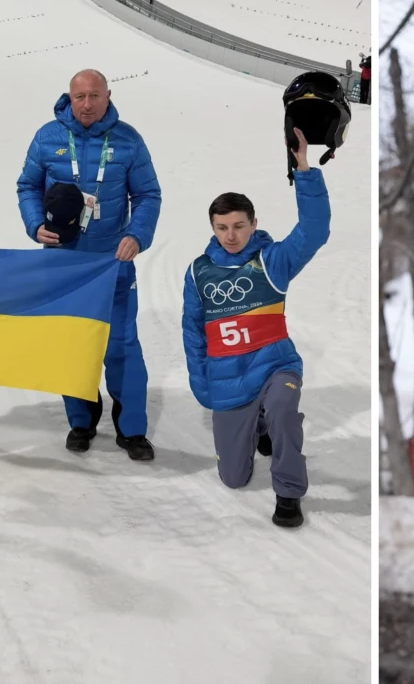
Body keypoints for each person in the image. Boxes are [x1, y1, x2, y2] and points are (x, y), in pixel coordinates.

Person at [181, 128, 331, 528]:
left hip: (274, 366)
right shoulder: (198, 272)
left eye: (238, 226)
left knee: (283, 407)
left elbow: (314, 231)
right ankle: (258, 423)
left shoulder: (273, 260)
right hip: (228, 378)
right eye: (222, 227)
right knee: (233, 478)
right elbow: (193, 332)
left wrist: (303, 168)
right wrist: (202, 384)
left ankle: (288, 492)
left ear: (253, 224)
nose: (231, 235)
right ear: (212, 228)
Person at [18, 68, 162, 461]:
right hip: (64, 265)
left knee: (122, 346)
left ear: (108, 96)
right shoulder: (47, 137)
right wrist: (34, 224)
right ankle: (81, 420)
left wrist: (136, 235)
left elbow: (147, 194)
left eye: (94, 96)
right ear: (69, 97)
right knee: (72, 344)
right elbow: (28, 186)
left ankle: (131, 429)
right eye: (79, 96)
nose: (86, 104)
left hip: (112, 263)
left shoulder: (128, 140)